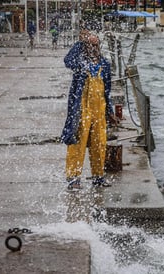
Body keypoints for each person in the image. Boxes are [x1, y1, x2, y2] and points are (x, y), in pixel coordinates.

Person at [61, 23, 116, 190]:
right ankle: (73, 178)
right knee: (77, 143)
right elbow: (67, 60)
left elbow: (107, 90)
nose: (93, 48)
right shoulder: (79, 63)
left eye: (95, 45)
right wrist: (81, 43)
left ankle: (98, 177)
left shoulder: (105, 65)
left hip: (99, 110)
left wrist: (110, 111)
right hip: (81, 109)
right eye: (90, 45)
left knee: (99, 143)